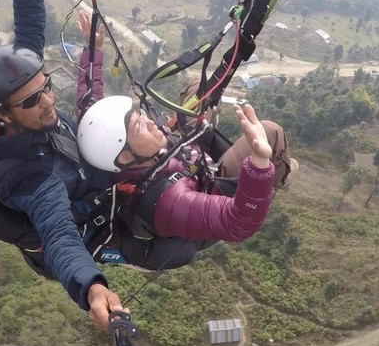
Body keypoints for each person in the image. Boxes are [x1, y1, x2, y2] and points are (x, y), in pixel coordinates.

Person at [0, 0, 126, 331]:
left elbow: (30, 22)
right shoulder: (25, 176)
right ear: (2, 113)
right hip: (93, 230)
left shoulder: (19, 103)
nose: (49, 101)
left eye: (47, 84)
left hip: (89, 177)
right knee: (180, 246)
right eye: (34, 99)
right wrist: (91, 287)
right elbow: (58, 234)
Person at [76, 95, 297, 268]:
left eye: (140, 115)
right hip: (212, 187)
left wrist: (93, 49)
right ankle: (283, 172)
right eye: (139, 126)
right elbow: (239, 223)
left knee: (198, 90)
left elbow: (92, 107)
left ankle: (205, 125)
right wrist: (260, 162)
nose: (150, 122)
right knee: (270, 131)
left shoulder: (137, 159)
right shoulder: (167, 202)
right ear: (125, 157)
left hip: (187, 159)